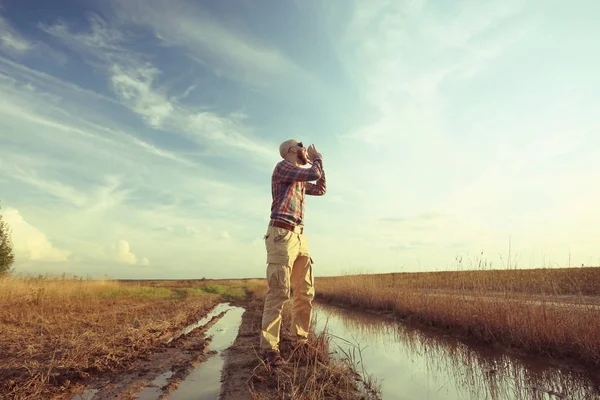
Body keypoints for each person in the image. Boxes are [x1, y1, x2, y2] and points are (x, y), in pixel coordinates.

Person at [260, 139, 326, 367]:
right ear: (291, 150)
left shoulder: (297, 178)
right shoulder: (283, 167)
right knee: (278, 293)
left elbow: (320, 188)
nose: (305, 149)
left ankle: (300, 341)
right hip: (281, 234)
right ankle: (270, 350)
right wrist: (317, 158)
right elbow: (313, 175)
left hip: (299, 237)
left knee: (305, 292)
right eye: (301, 146)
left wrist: (318, 164)